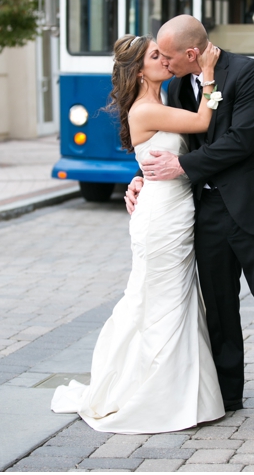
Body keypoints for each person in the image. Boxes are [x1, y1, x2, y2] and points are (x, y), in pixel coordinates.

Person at [131, 14, 254, 436]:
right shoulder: (174, 86)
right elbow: (172, 139)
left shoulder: (249, 73)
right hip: (206, 213)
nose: (163, 64)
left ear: (191, 53)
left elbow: (241, 140)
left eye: (167, 57)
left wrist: (181, 165)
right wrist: (140, 177)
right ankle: (226, 394)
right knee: (219, 309)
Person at [52, 34, 225, 433]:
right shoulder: (145, 109)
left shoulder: (161, 102)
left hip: (173, 210)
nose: (164, 59)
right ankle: (154, 393)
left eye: (164, 54)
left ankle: (183, 393)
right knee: (160, 298)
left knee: (170, 298)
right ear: (138, 69)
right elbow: (202, 121)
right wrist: (210, 77)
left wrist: (138, 177)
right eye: (155, 55)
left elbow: (158, 157)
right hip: (162, 218)